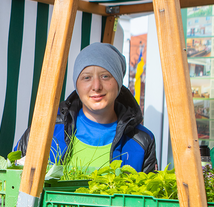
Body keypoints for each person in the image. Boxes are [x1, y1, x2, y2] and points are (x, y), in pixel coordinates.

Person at [15, 42, 157, 174]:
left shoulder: (142, 140)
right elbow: (13, 177)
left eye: (105, 76)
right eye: (86, 77)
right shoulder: (46, 128)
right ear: (77, 84)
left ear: (118, 83)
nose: (96, 86)